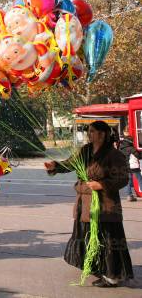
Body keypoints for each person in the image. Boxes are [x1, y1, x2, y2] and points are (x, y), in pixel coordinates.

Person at [44, 120, 133, 287]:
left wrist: (102, 185)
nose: (89, 135)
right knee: (88, 237)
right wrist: (54, 166)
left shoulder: (114, 155)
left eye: (92, 132)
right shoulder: (85, 150)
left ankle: (112, 275)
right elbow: (70, 163)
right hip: (84, 204)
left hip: (105, 205)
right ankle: (98, 267)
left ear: (102, 134)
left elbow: (122, 178)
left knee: (106, 238)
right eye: (89, 132)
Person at [119, 126, 142, 202]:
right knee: (139, 179)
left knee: (128, 181)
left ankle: (129, 196)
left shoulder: (121, 147)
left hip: (125, 166)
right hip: (133, 166)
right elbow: (138, 155)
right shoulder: (131, 148)